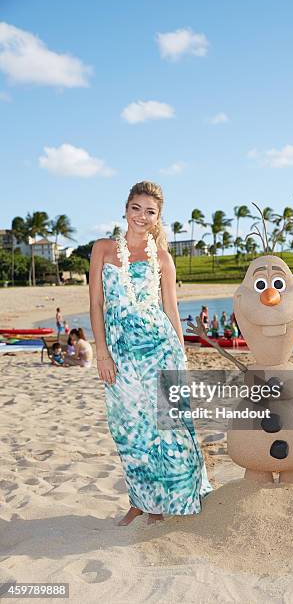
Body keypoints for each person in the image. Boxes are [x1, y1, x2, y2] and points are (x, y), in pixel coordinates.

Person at [89, 180, 212, 527]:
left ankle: (167, 501)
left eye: (150, 211)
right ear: (125, 209)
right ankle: (139, 501)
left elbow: (170, 309)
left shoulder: (162, 257)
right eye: (136, 208)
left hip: (161, 351)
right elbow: (96, 303)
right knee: (128, 427)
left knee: (168, 427)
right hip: (120, 352)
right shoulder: (102, 249)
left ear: (158, 218)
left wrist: (182, 358)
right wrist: (102, 352)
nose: (142, 216)